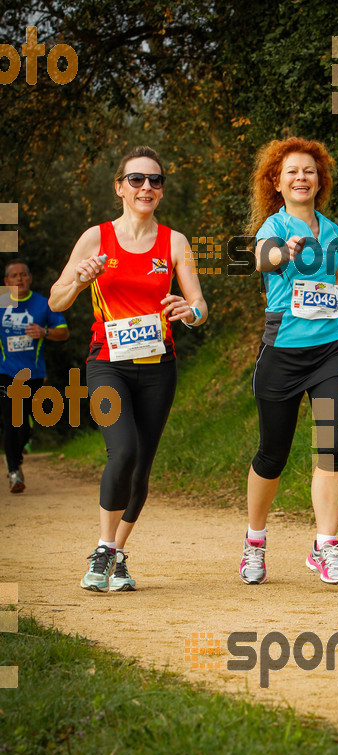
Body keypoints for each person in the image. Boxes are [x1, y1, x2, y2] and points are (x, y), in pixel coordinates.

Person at [50, 145, 207, 593]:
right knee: (123, 451)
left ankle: (117, 556)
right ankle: (103, 549)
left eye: (155, 181)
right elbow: (57, 301)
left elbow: (200, 306)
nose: (146, 187)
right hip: (107, 364)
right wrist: (80, 278)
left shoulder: (175, 242)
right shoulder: (96, 238)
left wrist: (188, 311)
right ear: (119, 187)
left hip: (159, 366)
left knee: (142, 467)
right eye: (136, 179)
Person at [240, 137, 338, 586]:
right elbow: (261, 257)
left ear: (319, 179)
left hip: (331, 349)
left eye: (309, 170)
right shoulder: (274, 226)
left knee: (334, 445)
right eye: (292, 172)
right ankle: (255, 542)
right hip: (282, 353)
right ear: (277, 182)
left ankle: (325, 547)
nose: (301, 177)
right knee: (272, 455)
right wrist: (282, 252)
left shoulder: (331, 230)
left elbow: (336, 278)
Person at [1, 260, 69, 493]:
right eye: (14, 276)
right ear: (6, 282)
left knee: (24, 424)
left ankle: (18, 450)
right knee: (12, 420)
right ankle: (13, 471)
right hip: (5, 373)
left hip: (34, 375)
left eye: (23, 275)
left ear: (30, 278)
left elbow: (64, 332)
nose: (19, 279)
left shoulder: (43, 304)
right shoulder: (1, 302)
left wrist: (44, 332)